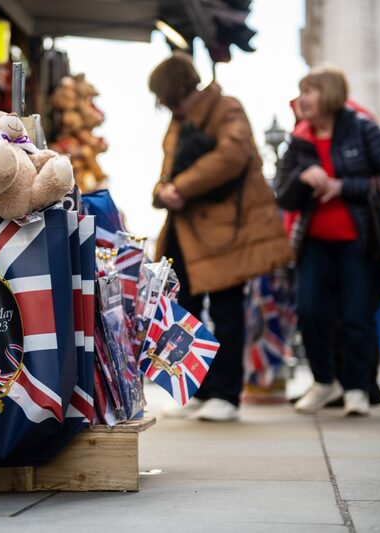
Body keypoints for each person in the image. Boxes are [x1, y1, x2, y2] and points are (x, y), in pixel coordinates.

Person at [149, 52, 293, 422]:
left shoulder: (225, 107)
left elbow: (234, 154)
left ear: (171, 90)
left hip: (224, 232)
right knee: (183, 313)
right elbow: (169, 171)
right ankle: (199, 389)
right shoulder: (182, 122)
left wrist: (179, 186)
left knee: (227, 310)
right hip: (186, 230)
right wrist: (163, 190)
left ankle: (227, 395)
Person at [276, 65, 380, 416]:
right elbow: (283, 196)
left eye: (309, 91)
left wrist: (343, 187)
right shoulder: (299, 141)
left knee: (356, 316)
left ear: (330, 94)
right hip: (314, 243)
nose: (301, 99)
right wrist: (302, 177)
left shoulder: (362, 129)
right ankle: (324, 380)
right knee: (310, 310)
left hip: (361, 241)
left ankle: (358, 388)